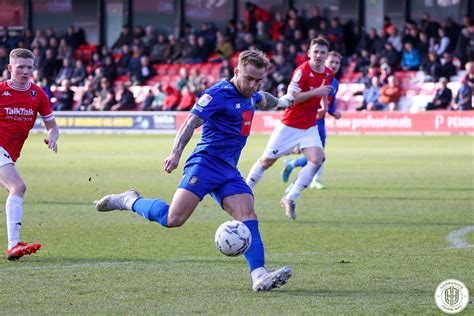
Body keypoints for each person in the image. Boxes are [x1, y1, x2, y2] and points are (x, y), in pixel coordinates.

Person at [95, 50, 293, 292]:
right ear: (236, 72)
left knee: (248, 215)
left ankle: (259, 275)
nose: (252, 85)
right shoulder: (217, 94)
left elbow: (265, 99)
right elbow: (190, 121)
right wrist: (176, 153)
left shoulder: (251, 94)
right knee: (173, 219)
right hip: (205, 163)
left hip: (229, 170)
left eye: (257, 80)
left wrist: (284, 102)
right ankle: (129, 200)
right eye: (248, 78)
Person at [246, 37, 334, 220]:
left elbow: (324, 90)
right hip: (289, 125)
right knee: (266, 162)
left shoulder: (328, 73)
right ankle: (244, 191)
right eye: (315, 51)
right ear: (309, 53)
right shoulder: (301, 71)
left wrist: (324, 106)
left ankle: (290, 197)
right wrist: (316, 93)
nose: (318, 55)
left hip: (309, 126)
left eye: (322, 52)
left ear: (326, 55)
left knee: (317, 158)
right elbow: (292, 96)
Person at [0, 48, 59, 260]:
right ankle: (13, 245)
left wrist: (52, 136)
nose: (25, 71)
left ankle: (13, 244)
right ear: (9, 68)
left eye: (29, 67)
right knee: (18, 186)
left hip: (9, 154)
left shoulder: (38, 95)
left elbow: (52, 126)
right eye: (20, 67)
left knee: (13, 188)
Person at [281, 51, 343, 189]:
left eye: (337, 62)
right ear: (325, 61)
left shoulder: (335, 83)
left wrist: (333, 113)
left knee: (319, 157)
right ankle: (300, 178)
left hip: (320, 123)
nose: (334, 65)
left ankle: (296, 169)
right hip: (307, 121)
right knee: (317, 157)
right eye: (331, 61)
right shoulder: (315, 77)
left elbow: (330, 104)